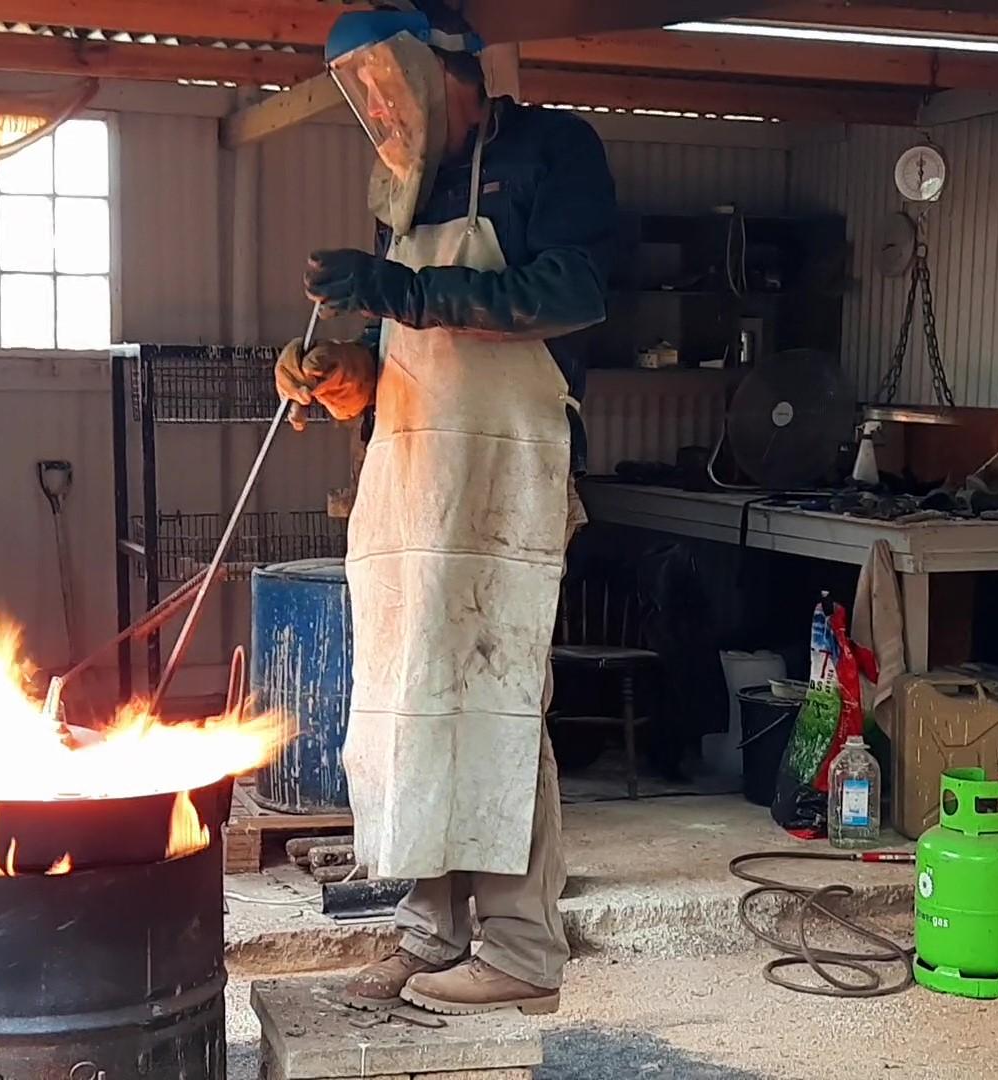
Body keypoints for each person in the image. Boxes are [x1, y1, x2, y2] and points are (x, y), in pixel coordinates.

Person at [273, 8, 616, 1017]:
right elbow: (398, 367)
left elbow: (570, 290)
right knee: (418, 707)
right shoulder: (405, 194)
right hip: (418, 487)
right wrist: (335, 375)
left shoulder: (556, 151)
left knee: (500, 705)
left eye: (388, 83)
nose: (376, 109)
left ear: (443, 72)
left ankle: (518, 950)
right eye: (361, 92)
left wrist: (394, 288)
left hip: (510, 477)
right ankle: (432, 938)